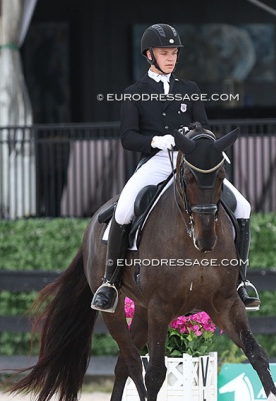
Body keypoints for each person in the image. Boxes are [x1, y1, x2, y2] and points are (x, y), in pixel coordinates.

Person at [91, 23, 260, 313]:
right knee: (123, 209)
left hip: (189, 160)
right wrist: (157, 140)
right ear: (149, 55)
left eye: (173, 53)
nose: (170, 58)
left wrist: (197, 138)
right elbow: (128, 138)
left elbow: (205, 127)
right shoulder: (135, 92)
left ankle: (241, 281)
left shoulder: (189, 89)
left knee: (242, 207)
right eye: (164, 52)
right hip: (157, 161)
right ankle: (110, 282)